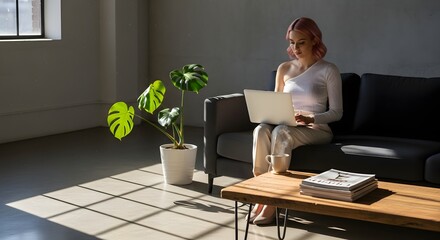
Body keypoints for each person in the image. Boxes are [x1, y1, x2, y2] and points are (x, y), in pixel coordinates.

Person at [248, 17, 343, 225]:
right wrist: (269, 115)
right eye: (292, 42)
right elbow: (275, 103)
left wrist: (311, 117)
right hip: (288, 124)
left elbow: (337, 112)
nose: (296, 48)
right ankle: (260, 194)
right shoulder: (284, 69)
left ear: (314, 41)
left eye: (301, 42)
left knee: (281, 132)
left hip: (316, 129)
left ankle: (273, 202)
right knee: (261, 130)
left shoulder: (329, 70)